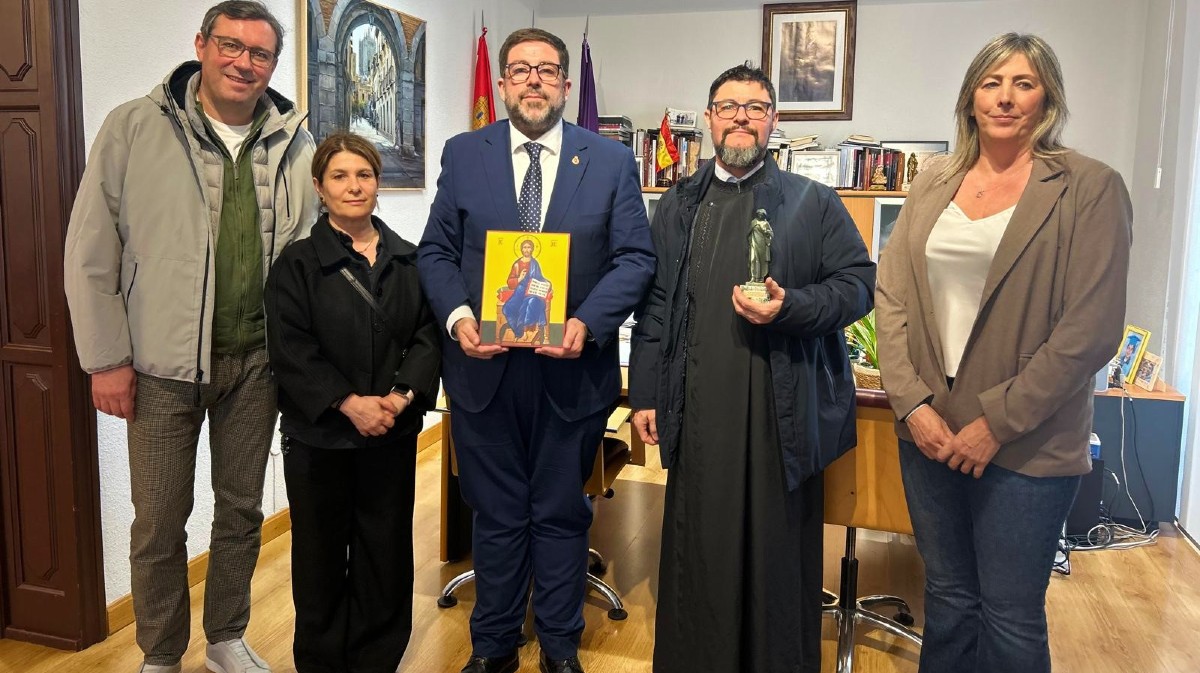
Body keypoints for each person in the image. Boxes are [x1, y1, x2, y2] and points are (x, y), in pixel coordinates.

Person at [62, 3, 318, 672]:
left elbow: (311, 255)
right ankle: (161, 653)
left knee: (240, 513)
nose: (244, 62)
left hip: (258, 364)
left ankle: (227, 636)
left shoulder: (297, 141)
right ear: (201, 45)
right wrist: (105, 358)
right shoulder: (136, 127)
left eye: (259, 53)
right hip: (158, 368)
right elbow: (91, 250)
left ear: (272, 63)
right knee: (157, 523)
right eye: (230, 46)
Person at [876, 33, 1132, 673]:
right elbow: (892, 297)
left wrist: (998, 422)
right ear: (970, 97)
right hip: (930, 436)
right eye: (992, 83)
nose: (1006, 97)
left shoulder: (1088, 188)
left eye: (1023, 82)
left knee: (1011, 613)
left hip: (1027, 443)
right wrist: (912, 407)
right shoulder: (934, 181)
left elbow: (1091, 327)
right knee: (949, 598)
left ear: (1048, 96)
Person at [417, 27, 654, 673]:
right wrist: (461, 316)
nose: (533, 80)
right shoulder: (465, 154)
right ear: (501, 84)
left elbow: (636, 258)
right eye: (519, 70)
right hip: (482, 369)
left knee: (559, 513)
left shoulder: (608, 161)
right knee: (493, 516)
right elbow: (436, 250)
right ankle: (492, 646)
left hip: (571, 371)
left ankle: (558, 646)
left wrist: (586, 322)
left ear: (565, 85)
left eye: (547, 70)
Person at [627, 63, 875, 673]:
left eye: (755, 106)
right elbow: (654, 304)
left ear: (774, 121)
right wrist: (645, 393)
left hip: (779, 416)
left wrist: (793, 305)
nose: (741, 116)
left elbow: (858, 286)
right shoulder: (677, 204)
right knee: (700, 550)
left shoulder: (813, 203)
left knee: (776, 555)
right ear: (709, 117)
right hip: (700, 410)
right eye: (728, 105)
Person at [265, 132, 440, 673]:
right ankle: (320, 662)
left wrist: (399, 396)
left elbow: (429, 334)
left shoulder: (409, 260)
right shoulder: (296, 265)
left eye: (363, 175)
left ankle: (376, 658)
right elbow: (291, 348)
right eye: (339, 176)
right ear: (319, 187)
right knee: (318, 557)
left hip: (391, 432)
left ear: (378, 182)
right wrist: (347, 402)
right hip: (320, 437)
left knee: (384, 551)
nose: (353, 186)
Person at [500, 237, 551, 343]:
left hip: (532, 292)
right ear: (521, 249)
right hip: (519, 291)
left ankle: (528, 332)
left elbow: (540, 278)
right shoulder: (517, 264)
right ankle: (519, 332)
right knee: (507, 308)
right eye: (524, 247)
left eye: (529, 247)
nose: (527, 249)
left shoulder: (535, 263)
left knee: (529, 303)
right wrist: (519, 279)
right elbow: (510, 282)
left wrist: (547, 283)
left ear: (532, 249)